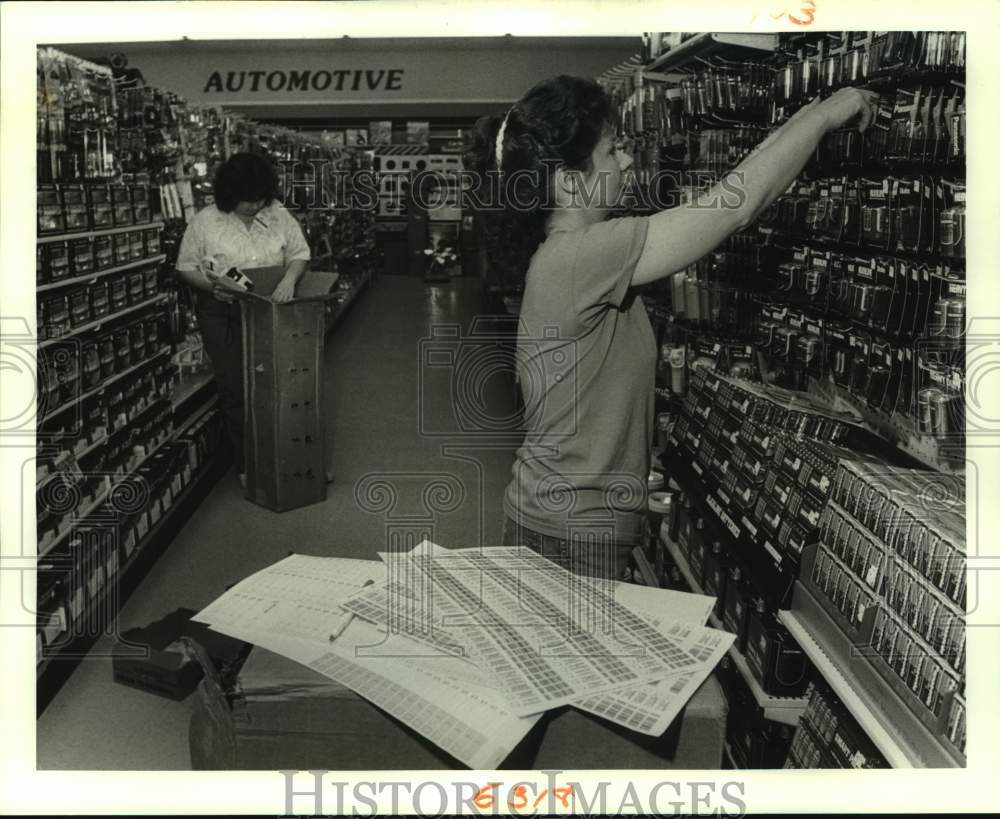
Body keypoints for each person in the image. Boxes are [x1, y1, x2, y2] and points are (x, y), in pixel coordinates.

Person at [465, 75, 878, 580]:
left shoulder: (573, 257)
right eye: (612, 151)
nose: (627, 160)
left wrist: (800, 120)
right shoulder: (584, 256)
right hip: (570, 535)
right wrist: (825, 116)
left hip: (570, 525)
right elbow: (734, 205)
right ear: (572, 183)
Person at [175, 152, 312, 487]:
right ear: (229, 193)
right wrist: (212, 287)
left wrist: (288, 280)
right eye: (246, 200)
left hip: (271, 309)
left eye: (259, 199)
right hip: (223, 314)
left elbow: (300, 254)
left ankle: (293, 458)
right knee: (236, 389)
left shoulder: (278, 215)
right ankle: (249, 465)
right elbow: (186, 266)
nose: (253, 206)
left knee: (283, 384)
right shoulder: (205, 221)